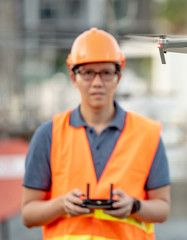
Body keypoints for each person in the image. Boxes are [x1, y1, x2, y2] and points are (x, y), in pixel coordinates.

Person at [21, 28, 171, 240]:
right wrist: (62, 204)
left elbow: (162, 209)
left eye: (106, 72)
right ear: (74, 77)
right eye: (88, 73)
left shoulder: (148, 133)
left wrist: (134, 205)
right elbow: (28, 214)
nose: (97, 83)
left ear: (118, 77)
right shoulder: (49, 134)